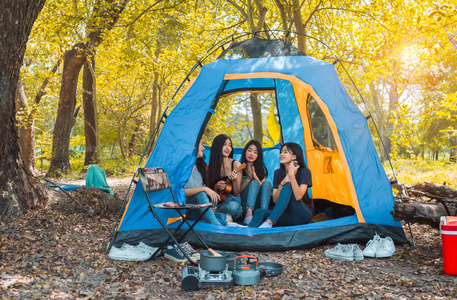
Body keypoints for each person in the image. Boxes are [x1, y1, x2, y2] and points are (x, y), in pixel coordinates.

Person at [248, 142, 313, 228]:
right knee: (259, 212)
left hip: (302, 214)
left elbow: (298, 197)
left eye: (285, 152)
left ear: (294, 157)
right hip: (286, 215)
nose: (281, 154)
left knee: (288, 188)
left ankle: (269, 222)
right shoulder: (277, 173)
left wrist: (291, 175)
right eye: (281, 152)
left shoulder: (305, 172)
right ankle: (248, 228)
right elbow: (275, 200)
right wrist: (282, 183)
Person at [184, 140, 229, 226]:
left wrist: (209, 207)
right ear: (193, 147)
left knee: (226, 217)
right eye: (201, 145)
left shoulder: (200, 168)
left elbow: (203, 199)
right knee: (201, 194)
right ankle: (218, 227)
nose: (204, 148)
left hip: (199, 210)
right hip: (186, 209)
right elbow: (181, 192)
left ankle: (205, 222)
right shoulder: (183, 168)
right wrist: (204, 189)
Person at [207, 134, 243, 223]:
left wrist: (234, 180)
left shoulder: (236, 165)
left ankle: (210, 216)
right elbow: (208, 190)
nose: (228, 148)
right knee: (208, 206)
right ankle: (224, 218)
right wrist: (216, 187)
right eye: (224, 144)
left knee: (235, 207)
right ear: (217, 146)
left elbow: (237, 192)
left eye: (230, 145)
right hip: (216, 202)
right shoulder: (209, 166)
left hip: (231, 201)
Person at [239, 140, 272, 225]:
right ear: (245, 151)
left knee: (267, 183)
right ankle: (248, 215)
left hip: (257, 205)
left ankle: (263, 213)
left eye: (255, 152)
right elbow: (237, 192)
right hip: (243, 203)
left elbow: (264, 189)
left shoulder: (260, 169)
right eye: (249, 150)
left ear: (258, 155)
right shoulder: (238, 167)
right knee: (254, 183)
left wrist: (255, 177)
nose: (251, 154)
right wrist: (249, 179)